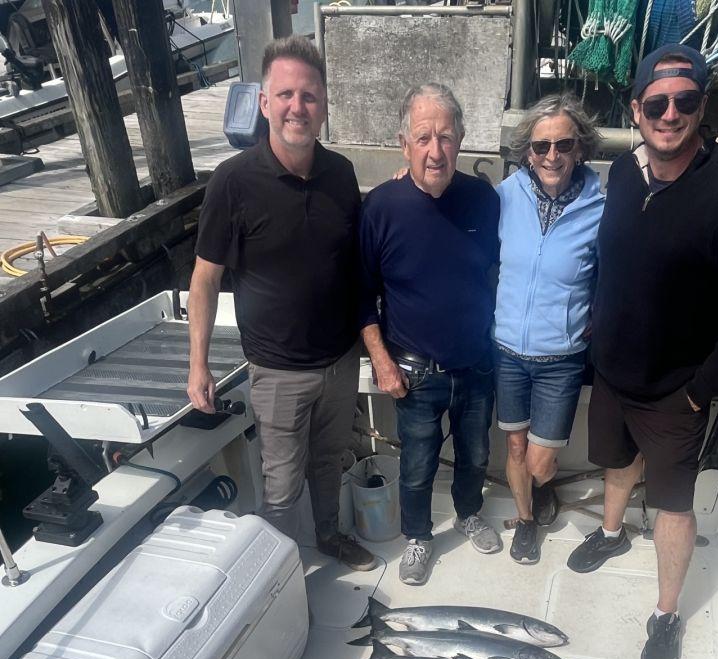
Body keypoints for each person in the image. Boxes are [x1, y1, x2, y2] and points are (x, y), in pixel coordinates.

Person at [567, 44, 718, 659]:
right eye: (656, 102)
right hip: (613, 368)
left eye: (684, 100)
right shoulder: (627, 171)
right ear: (636, 109)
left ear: (701, 106)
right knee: (616, 463)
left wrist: (701, 389)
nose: (670, 113)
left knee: (674, 504)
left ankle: (664, 614)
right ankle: (609, 534)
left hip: (677, 388)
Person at [186, 36, 374, 572]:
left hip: (338, 362)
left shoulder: (340, 173)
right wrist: (197, 366)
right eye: (285, 94)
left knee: (329, 463)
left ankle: (330, 536)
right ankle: (276, 579)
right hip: (275, 370)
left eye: (309, 96)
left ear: (324, 105)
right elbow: (204, 280)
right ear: (264, 103)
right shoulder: (233, 181)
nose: (298, 107)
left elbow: (355, 266)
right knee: (281, 485)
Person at [359, 83, 502, 585]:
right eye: (423, 138)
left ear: (461, 140)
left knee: (477, 453)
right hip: (413, 372)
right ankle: (419, 536)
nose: (435, 150)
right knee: (417, 465)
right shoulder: (381, 207)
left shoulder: (483, 199)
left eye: (445, 137)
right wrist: (381, 361)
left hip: (477, 364)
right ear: (405, 145)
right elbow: (360, 294)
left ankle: (467, 513)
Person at [495, 94, 604, 564]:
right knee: (515, 445)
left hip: (561, 356)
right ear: (527, 152)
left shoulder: (601, 205)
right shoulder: (505, 196)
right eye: (541, 147)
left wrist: (599, 316)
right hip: (506, 351)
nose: (552, 155)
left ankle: (543, 490)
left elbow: (619, 270)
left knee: (540, 463)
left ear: (579, 147)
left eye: (563, 144)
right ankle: (524, 522)